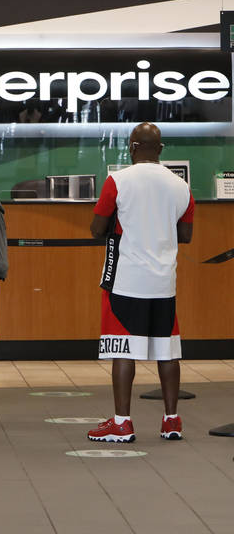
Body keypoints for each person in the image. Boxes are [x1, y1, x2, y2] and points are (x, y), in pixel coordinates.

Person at [86, 122, 194, 443]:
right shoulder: (180, 186)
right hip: (164, 281)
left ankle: (121, 422)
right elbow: (186, 235)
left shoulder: (118, 180)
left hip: (127, 278)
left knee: (124, 349)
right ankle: (171, 420)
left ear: (132, 147)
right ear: (160, 149)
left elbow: (96, 227)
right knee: (167, 349)